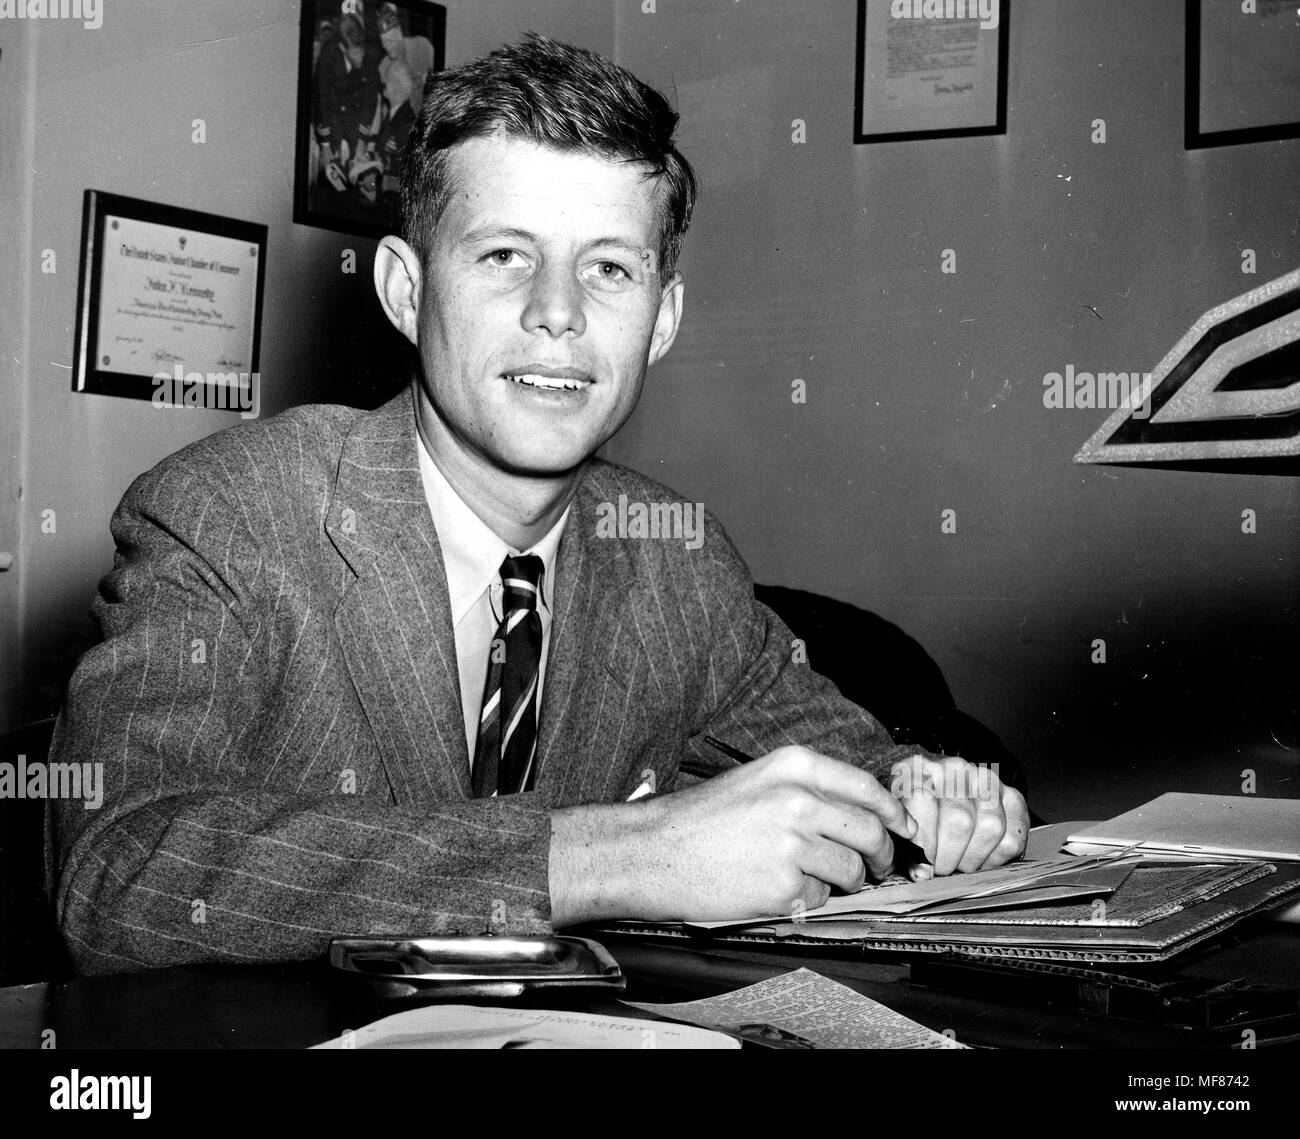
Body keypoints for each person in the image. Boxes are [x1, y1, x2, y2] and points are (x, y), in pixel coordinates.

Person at [48, 35, 1028, 975]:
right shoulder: (231, 511)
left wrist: (928, 793)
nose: (558, 312)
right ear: (404, 288)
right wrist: (611, 855)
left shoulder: (673, 561)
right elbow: (121, 871)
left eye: (609, 267)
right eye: (505, 255)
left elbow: (854, 759)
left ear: (662, 320)